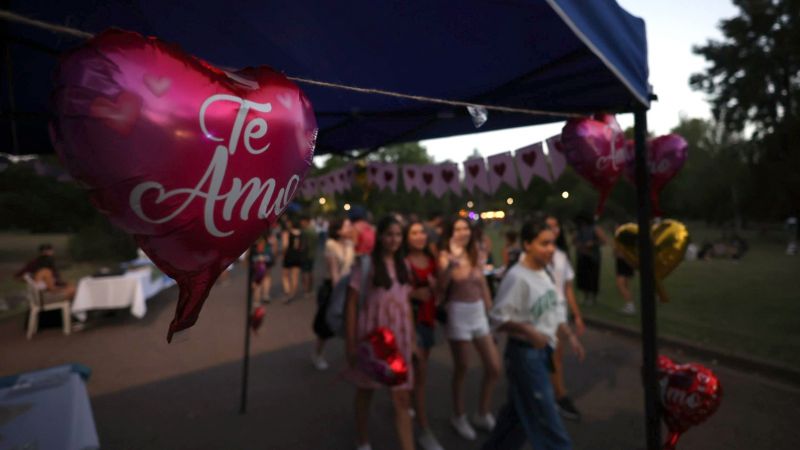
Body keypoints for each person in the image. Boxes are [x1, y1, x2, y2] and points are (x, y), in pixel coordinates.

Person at [483, 217, 585, 450]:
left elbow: (554, 308)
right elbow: (498, 318)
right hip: (524, 356)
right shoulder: (517, 277)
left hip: (542, 353)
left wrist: (569, 336)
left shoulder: (544, 271)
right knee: (549, 423)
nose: (551, 249)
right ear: (527, 244)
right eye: (544, 243)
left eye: (552, 243)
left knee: (516, 419)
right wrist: (527, 329)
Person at [345, 216, 416, 450]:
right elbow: (352, 303)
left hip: (400, 338)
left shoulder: (404, 265)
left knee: (401, 397)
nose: (393, 239)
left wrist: (412, 340)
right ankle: (362, 439)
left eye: (398, 235)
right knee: (367, 390)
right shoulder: (366, 265)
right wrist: (351, 343)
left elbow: (406, 303)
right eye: (389, 234)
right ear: (380, 236)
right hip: (374, 337)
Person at [438, 218, 501, 441]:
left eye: (466, 228)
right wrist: (450, 268)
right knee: (462, 367)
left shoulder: (476, 253)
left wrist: (492, 314)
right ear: (451, 232)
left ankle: (482, 413)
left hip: (478, 313)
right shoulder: (446, 255)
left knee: (494, 367)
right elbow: (444, 285)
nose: (463, 232)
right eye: (458, 228)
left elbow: (483, 284)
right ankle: (459, 415)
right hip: (458, 312)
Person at [404, 221, 444, 450]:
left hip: (427, 320)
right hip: (410, 323)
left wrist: (437, 284)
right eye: (414, 232)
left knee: (419, 373)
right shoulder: (402, 263)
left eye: (422, 232)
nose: (419, 236)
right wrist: (413, 293)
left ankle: (409, 409)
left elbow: (437, 292)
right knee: (417, 374)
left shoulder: (431, 260)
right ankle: (423, 429)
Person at [544, 213, 585, 421]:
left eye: (556, 226)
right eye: (549, 226)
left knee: (556, 356)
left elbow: (568, 288)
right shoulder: (534, 255)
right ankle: (559, 396)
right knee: (546, 356)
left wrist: (577, 315)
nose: (554, 230)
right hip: (540, 312)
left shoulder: (561, 256)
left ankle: (557, 395)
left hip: (559, 311)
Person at [311, 217, 355, 370]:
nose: (351, 229)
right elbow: (334, 272)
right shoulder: (331, 245)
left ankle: (351, 356)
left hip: (349, 286)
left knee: (351, 323)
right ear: (338, 230)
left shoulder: (351, 244)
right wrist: (338, 295)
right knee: (325, 324)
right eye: (347, 226)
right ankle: (318, 354)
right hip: (333, 287)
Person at [574, 213, 607, 305]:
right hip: (582, 256)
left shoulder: (595, 228)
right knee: (583, 278)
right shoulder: (579, 230)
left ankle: (593, 297)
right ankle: (585, 296)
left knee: (592, 277)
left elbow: (604, 240)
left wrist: (593, 243)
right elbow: (574, 240)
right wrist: (578, 244)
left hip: (592, 257)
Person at [250, 228, 277, 304]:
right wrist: (274, 259)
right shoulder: (271, 238)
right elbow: (274, 250)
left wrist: (246, 259)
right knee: (267, 277)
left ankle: (256, 301)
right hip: (267, 259)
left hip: (256, 260)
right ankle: (266, 295)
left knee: (257, 281)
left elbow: (249, 250)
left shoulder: (255, 237)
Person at [281, 216, 304, 303]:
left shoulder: (287, 233)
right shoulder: (301, 233)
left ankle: (287, 292)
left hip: (289, 255)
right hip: (298, 255)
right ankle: (292, 294)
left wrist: (283, 254)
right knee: (295, 276)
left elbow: (285, 245)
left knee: (285, 275)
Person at [299, 215, 318, 296]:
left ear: (306, 221)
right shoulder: (314, 230)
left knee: (305, 272)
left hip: (305, 254)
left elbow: (303, 245)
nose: (301, 223)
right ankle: (310, 289)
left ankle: (306, 290)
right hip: (312, 254)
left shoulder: (305, 231)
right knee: (310, 272)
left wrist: (299, 252)